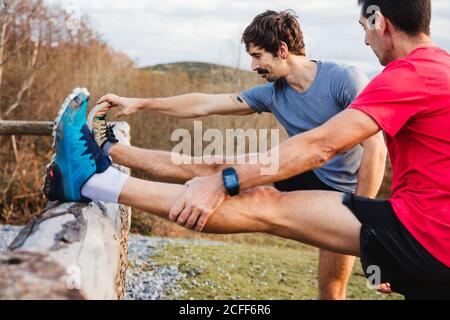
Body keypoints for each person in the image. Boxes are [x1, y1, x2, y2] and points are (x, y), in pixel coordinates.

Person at [45, 0, 450, 299]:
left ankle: (94, 179)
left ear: (381, 21)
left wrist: (371, 227)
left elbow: (342, 147)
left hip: (363, 199)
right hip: (414, 223)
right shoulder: (274, 92)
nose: (363, 37)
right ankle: (106, 155)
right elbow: (205, 102)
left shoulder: (364, 77)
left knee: (328, 286)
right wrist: (142, 103)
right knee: (228, 173)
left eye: (364, 25)